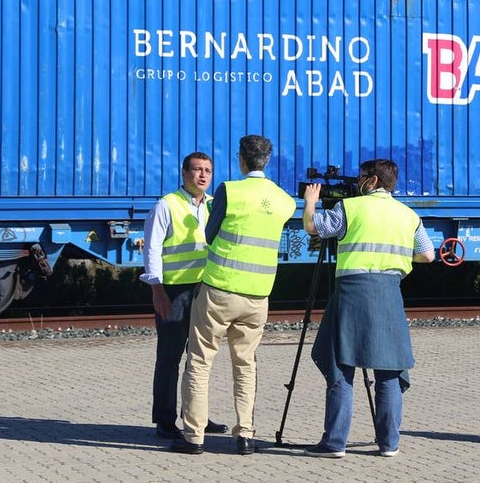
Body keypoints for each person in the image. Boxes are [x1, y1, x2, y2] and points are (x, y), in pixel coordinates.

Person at [300, 158, 435, 459]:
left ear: (372, 181)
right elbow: (428, 255)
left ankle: (334, 443)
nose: (358, 181)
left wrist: (310, 202)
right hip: (389, 293)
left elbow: (313, 227)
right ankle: (389, 444)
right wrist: (396, 258)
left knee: (341, 367)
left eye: (362, 176)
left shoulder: (350, 208)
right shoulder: (409, 215)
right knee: (388, 371)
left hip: (351, 294)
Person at [173, 135, 297, 456]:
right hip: (257, 296)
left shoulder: (230, 191)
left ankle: (194, 436)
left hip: (219, 290)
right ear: (267, 160)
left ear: (241, 159)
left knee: (200, 362)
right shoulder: (285, 201)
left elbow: (208, 234)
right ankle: (244, 434)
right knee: (246, 365)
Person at [140, 152, 229, 441]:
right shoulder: (167, 205)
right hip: (174, 292)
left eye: (208, 170)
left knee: (199, 357)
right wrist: (157, 290)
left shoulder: (216, 206)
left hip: (205, 290)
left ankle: (195, 416)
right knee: (169, 356)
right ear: (184, 173)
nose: (203, 175)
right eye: (197, 170)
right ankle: (164, 420)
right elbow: (151, 249)